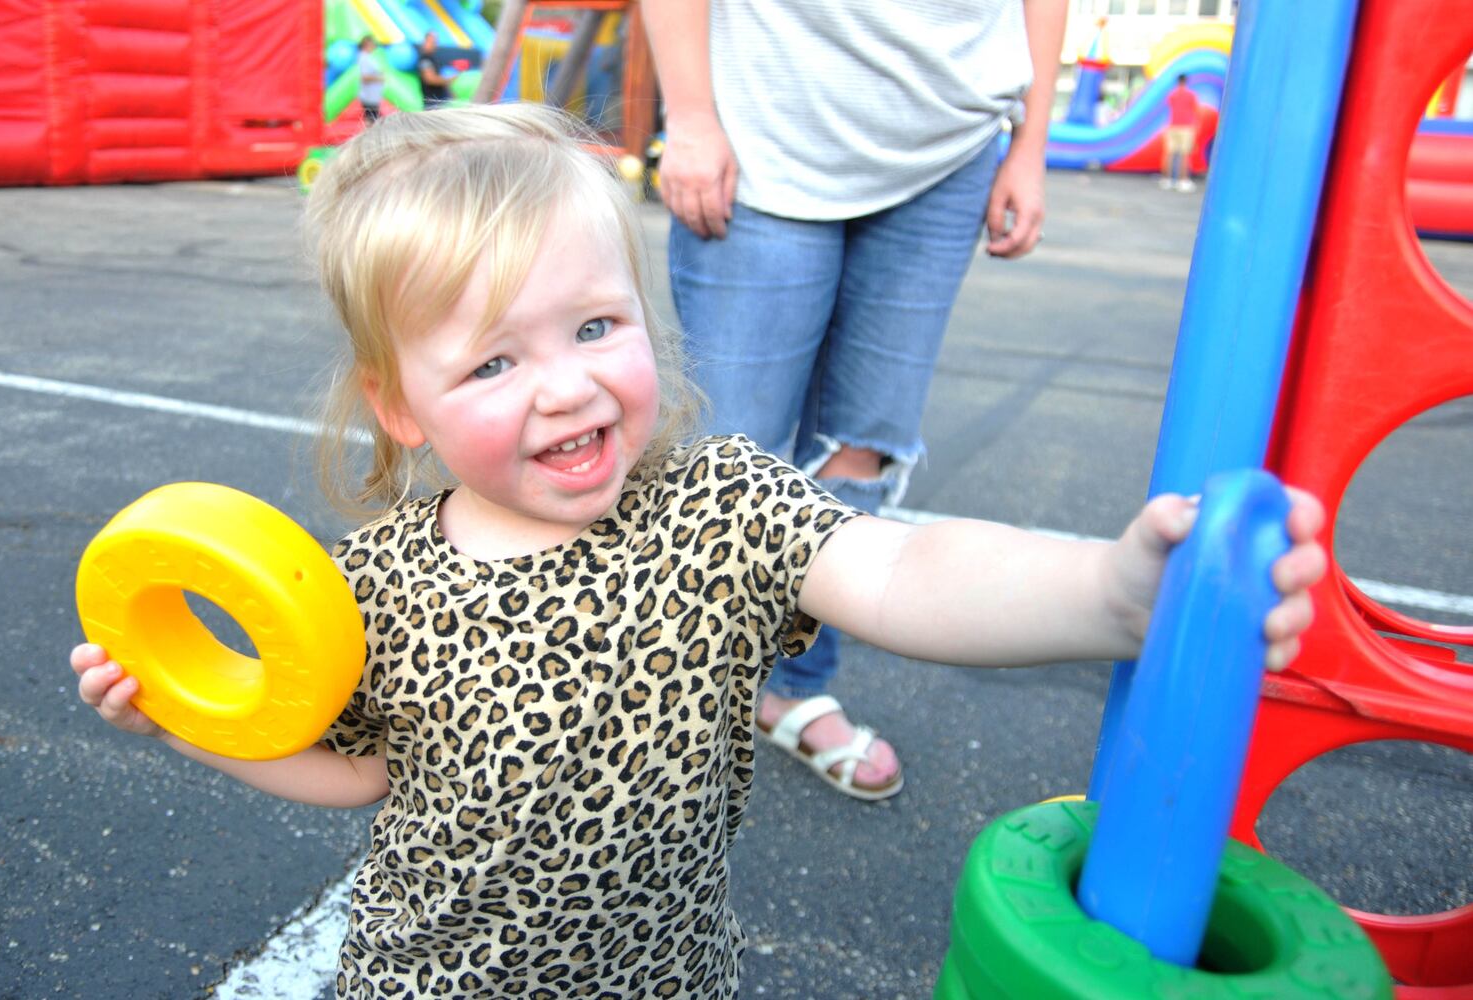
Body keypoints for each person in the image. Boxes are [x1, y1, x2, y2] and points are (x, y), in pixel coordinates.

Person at [69, 105, 1326, 999]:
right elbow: (357, 774)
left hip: (661, 976)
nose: (564, 387)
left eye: (595, 324)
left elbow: (897, 574)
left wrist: (1111, 593)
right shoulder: (380, 581)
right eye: (495, 361)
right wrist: (188, 722)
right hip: (434, 981)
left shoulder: (715, 503)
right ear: (399, 404)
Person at [640, 0, 1068, 800]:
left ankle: (792, 687)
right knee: (732, 457)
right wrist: (691, 115)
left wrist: (1030, 144)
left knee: (862, 447)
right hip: (767, 130)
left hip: (950, 143)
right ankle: (678, 698)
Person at [1162, 73, 1199, 192]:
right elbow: (1195, 110)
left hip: (1173, 125)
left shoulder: (1172, 94)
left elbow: (1170, 106)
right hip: (1186, 126)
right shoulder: (1191, 95)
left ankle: (1167, 180)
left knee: (1170, 154)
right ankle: (1183, 181)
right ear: (1186, 81)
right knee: (1184, 154)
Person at [417, 32, 451, 110]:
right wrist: (448, 79)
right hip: (432, 103)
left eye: (435, 42)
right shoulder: (425, 59)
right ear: (425, 42)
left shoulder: (433, 58)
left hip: (438, 102)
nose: (434, 44)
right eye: (431, 42)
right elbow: (430, 79)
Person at [357, 36, 384, 124]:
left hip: (372, 96)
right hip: (369, 96)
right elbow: (364, 77)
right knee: (371, 119)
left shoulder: (368, 57)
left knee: (373, 118)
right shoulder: (364, 58)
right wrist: (379, 78)